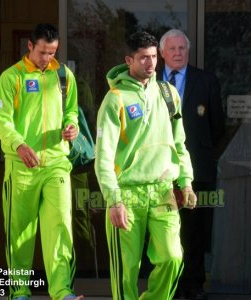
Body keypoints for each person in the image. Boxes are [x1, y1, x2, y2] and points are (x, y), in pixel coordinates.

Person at [94, 31, 197, 300]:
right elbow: (103, 156)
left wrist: (186, 181)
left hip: (163, 190)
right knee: (126, 271)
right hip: (126, 193)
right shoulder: (114, 99)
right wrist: (113, 199)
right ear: (129, 60)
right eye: (144, 58)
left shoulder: (168, 93)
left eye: (153, 57)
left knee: (173, 258)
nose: (151, 64)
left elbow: (180, 142)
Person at [0, 23, 83, 300]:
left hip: (57, 163)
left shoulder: (64, 75)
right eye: (43, 52)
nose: (47, 58)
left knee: (60, 229)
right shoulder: (12, 77)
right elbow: (2, 121)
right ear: (30, 47)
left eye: (52, 52)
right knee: (20, 234)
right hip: (21, 167)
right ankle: (19, 292)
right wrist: (18, 145)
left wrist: (72, 127)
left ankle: (62, 291)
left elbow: (72, 112)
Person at [158, 29, 225, 300]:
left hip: (197, 168)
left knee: (195, 231)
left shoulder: (206, 81)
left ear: (188, 51)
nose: (177, 54)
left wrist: (200, 153)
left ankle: (193, 285)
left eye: (182, 49)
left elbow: (218, 126)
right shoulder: (149, 82)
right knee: (162, 231)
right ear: (162, 53)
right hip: (158, 169)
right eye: (172, 49)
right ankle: (165, 286)